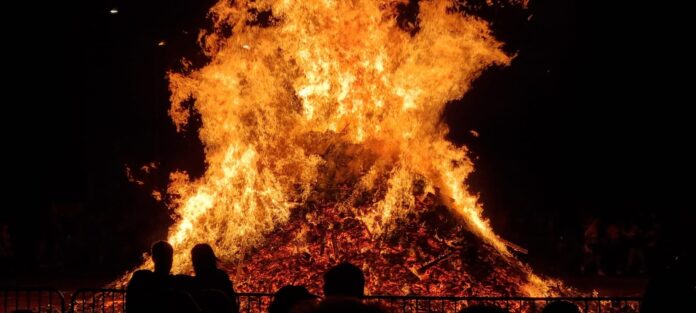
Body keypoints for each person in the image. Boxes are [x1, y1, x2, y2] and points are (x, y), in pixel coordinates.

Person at [126, 241, 175, 313]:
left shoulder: (140, 278)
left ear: (153, 258)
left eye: (168, 257)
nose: (168, 261)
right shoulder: (141, 279)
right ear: (154, 258)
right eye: (164, 257)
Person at [190, 243, 239, 313]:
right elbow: (232, 303)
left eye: (193, 260)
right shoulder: (222, 278)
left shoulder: (194, 284)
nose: (192, 264)